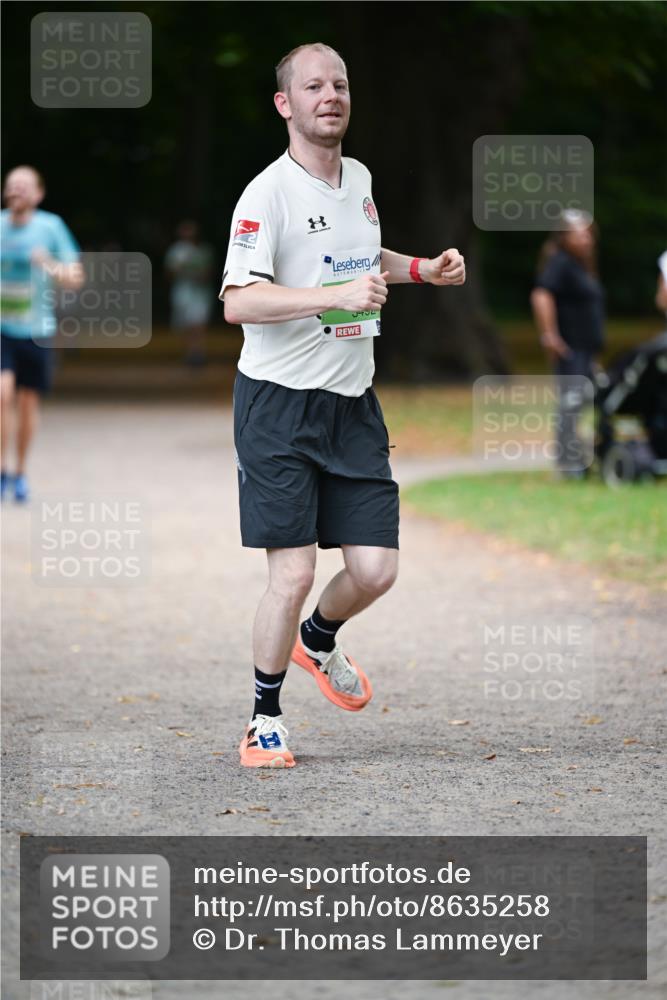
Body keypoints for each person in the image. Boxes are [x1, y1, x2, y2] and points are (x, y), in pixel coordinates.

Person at [219, 43, 465, 768]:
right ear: (284, 104)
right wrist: (334, 297)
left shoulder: (356, 177)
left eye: (340, 84)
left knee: (375, 570)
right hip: (278, 408)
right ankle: (263, 720)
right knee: (291, 574)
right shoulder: (266, 194)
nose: (330, 95)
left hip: (351, 405)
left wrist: (420, 269)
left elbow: (364, 255)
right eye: (313, 86)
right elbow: (238, 302)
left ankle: (316, 640)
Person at [1, 166, 83, 502]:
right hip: (2, 329)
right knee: (2, 394)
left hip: (36, 330)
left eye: (24, 186)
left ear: (38, 193)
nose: (17, 191)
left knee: (27, 402)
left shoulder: (50, 227)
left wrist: (47, 263)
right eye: (12, 186)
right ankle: (2, 471)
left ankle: (20, 472)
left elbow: (75, 278)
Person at [530, 209, 605, 478]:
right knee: (570, 403)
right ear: (563, 237)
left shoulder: (580, 265)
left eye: (589, 234)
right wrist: (550, 335)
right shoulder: (560, 263)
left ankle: (582, 455)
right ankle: (567, 463)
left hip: (585, 349)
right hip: (570, 348)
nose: (587, 240)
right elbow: (541, 294)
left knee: (583, 401)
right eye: (580, 234)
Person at [165, 221, 215, 367]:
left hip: (200, 295)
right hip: (182, 293)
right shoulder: (175, 251)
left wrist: (195, 273)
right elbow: (169, 274)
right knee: (185, 326)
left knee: (198, 325)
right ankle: (189, 353)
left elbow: (208, 273)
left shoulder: (204, 251)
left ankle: (197, 354)